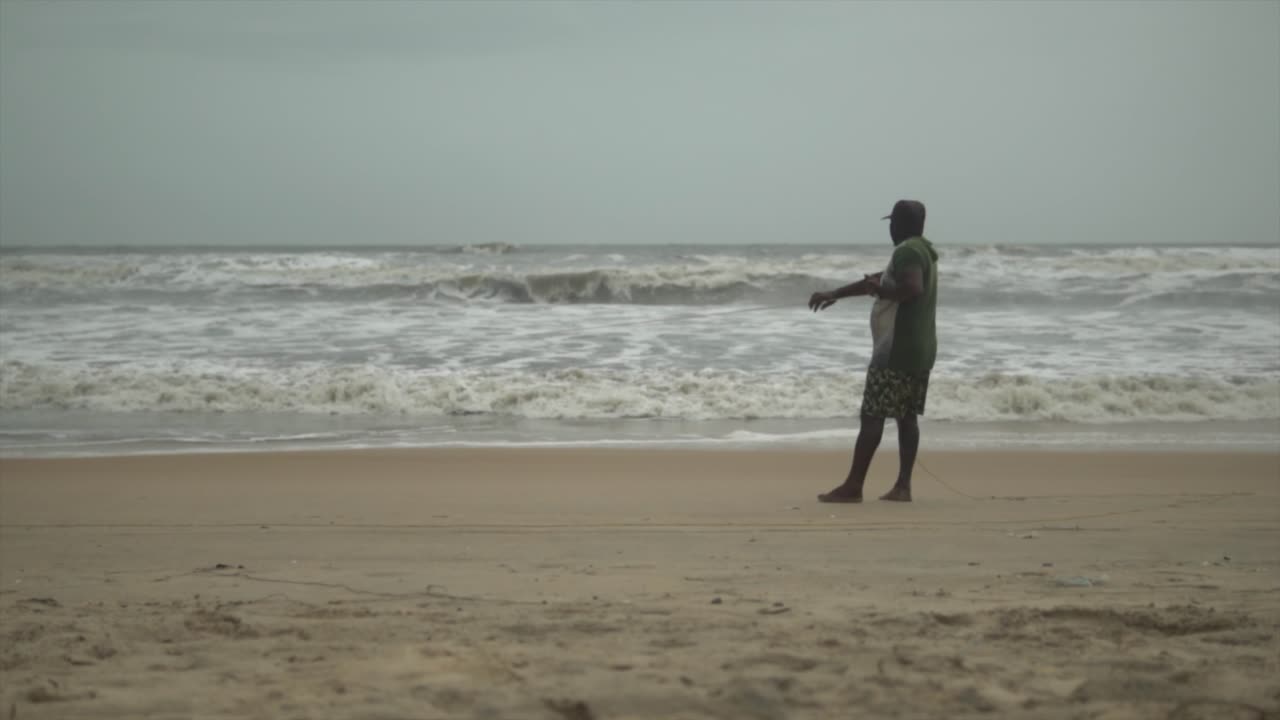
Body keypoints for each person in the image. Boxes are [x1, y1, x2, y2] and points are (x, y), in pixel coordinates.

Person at [807, 200, 938, 503]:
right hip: (920, 347)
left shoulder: (906, 251)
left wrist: (881, 293)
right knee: (906, 416)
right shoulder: (924, 251)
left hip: (895, 349)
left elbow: (912, 288)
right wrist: (836, 293)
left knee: (872, 415)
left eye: (893, 223)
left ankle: (853, 486)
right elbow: (882, 279)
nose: (890, 228)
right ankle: (902, 487)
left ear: (902, 224)